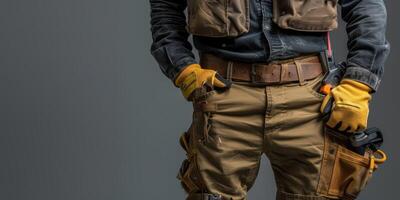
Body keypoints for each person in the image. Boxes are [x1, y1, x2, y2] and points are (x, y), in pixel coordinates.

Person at [150, 0, 390, 199]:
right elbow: (166, 7)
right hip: (224, 97)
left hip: (312, 100)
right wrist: (182, 68)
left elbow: (365, 4)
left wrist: (359, 83)